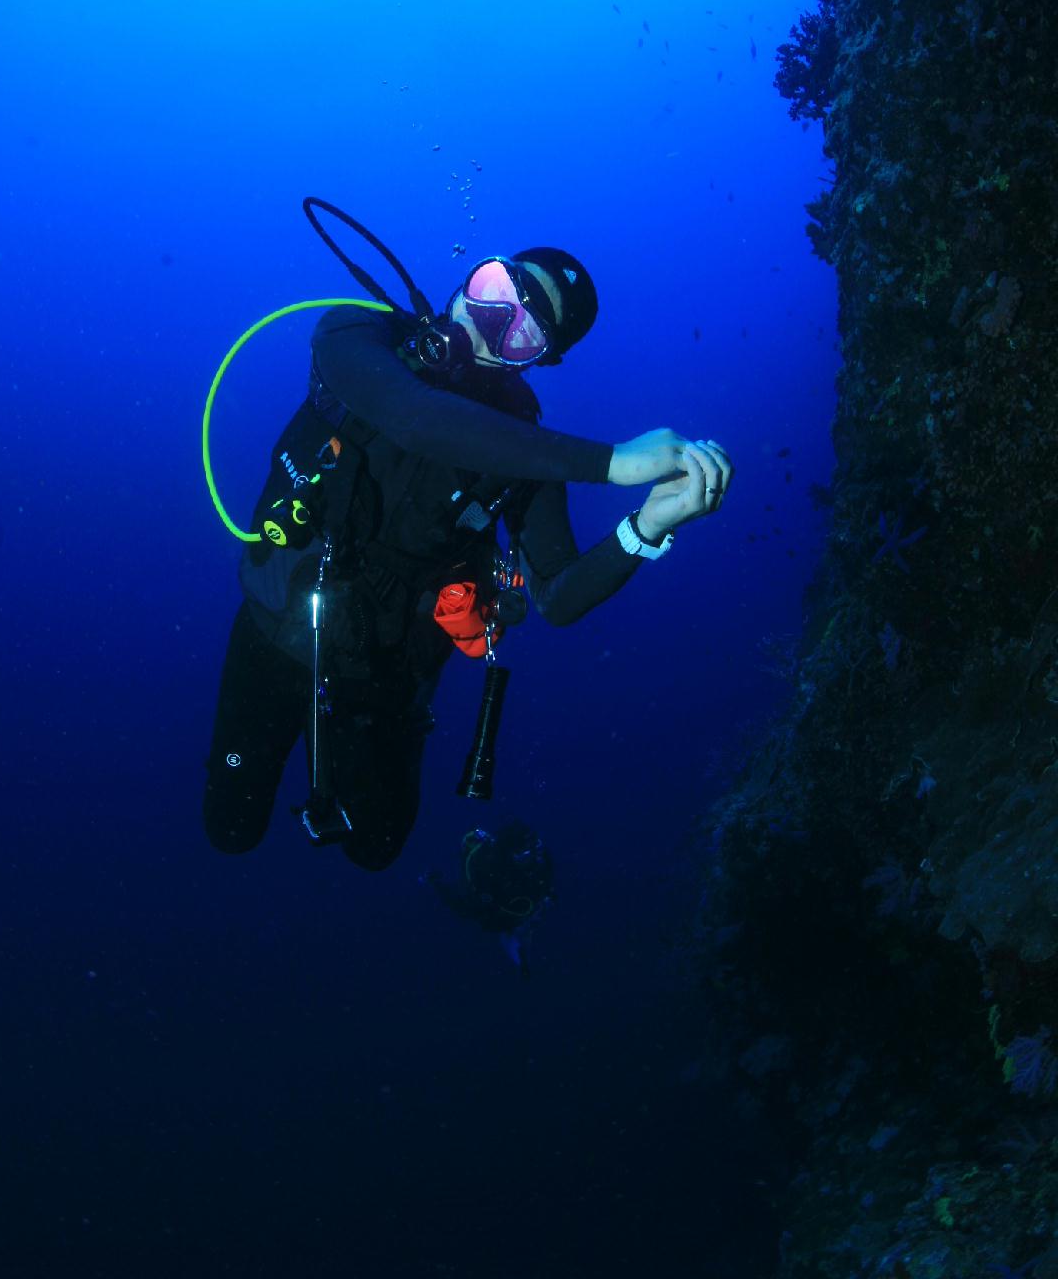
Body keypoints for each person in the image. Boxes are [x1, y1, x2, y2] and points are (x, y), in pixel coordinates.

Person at [202, 245, 733, 871]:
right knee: (230, 829)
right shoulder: (356, 333)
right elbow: (413, 418)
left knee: (376, 848)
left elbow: (558, 597)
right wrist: (613, 463)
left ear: (538, 360)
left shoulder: (526, 449)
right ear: (469, 277)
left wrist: (646, 526)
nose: (490, 321)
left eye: (523, 331)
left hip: (387, 676)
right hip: (275, 636)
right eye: (495, 291)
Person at [425, 820, 556, 979]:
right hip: (491, 902)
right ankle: (435, 881)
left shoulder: (538, 859)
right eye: (523, 853)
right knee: (465, 909)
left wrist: (546, 896)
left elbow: (545, 879)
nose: (530, 856)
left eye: (532, 849)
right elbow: (480, 907)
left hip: (517, 904)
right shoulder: (488, 867)